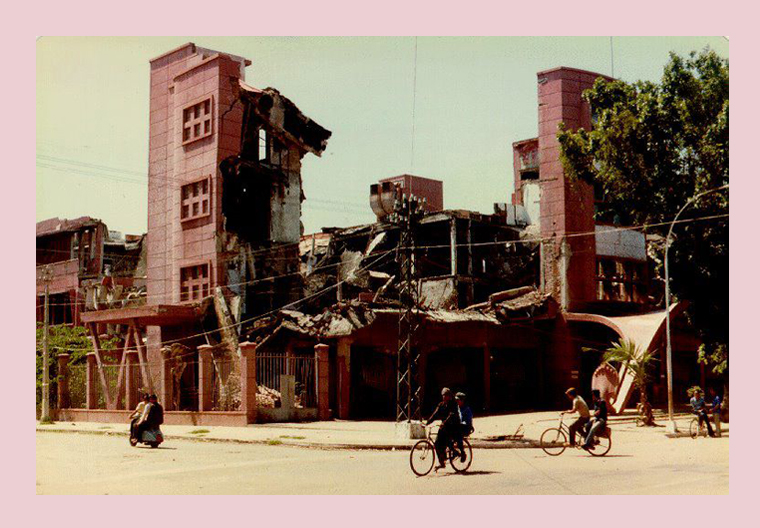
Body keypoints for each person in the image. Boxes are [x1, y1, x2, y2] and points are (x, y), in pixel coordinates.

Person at [426, 388, 459, 470]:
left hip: (452, 426)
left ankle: (454, 452)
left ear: (449, 396)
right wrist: (427, 422)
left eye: (446, 395)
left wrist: (444, 423)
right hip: (444, 426)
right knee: (436, 443)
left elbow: (451, 415)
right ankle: (442, 462)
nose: (444, 397)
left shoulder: (453, 404)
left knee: (445, 440)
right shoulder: (441, 405)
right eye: (443, 395)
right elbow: (435, 414)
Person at [454, 392, 474, 461]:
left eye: (458, 400)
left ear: (462, 401)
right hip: (458, 427)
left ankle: (462, 453)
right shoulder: (456, 408)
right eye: (456, 400)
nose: (457, 402)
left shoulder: (466, 409)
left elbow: (468, 421)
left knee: (458, 435)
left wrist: (461, 423)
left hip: (465, 428)